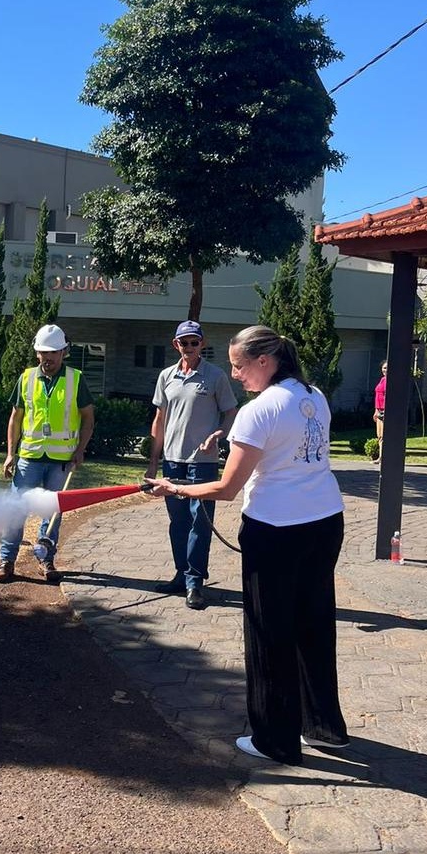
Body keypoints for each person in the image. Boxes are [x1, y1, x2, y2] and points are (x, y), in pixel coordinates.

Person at [146, 325, 348, 765]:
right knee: (313, 623)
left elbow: (226, 488)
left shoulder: (260, 409)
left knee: (268, 630)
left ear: (264, 361)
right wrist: (230, 438)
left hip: (276, 529)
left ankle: (274, 739)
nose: (235, 375)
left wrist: (174, 488)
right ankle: (323, 726)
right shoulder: (312, 395)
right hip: (325, 520)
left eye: (239, 366)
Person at [146, 320, 238, 610]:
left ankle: (195, 582)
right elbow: (159, 421)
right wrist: (153, 462)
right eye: (183, 343)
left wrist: (218, 435)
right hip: (173, 462)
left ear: (202, 344)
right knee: (178, 522)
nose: (189, 347)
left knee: (200, 522)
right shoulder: (166, 377)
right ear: (176, 345)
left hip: (203, 464)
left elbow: (231, 412)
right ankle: (180, 574)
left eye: (194, 342)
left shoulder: (215, 376)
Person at [0, 323, 95, 584]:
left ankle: (46, 559)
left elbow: (88, 418)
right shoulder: (26, 378)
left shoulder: (76, 379)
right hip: (29, 457)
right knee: (16, 510)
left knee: (52, 513)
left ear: (64, 352)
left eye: (53, 352)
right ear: (37, 353)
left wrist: (80, 450)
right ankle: (6, 561)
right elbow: (15, 419)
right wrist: (10, 454)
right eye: (43, 352)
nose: (47, 358)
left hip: (61, 461)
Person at [372, 361, 387, 462]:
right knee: (380, 436)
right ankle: (381, 458)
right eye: (384, 368)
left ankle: (385, 457)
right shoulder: (382, 380)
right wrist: (376, 411)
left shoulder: (392, 381)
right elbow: (378, 396)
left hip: (386, 410)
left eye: (386, 368)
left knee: (385, 435)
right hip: (379, 410)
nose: (385, 370)